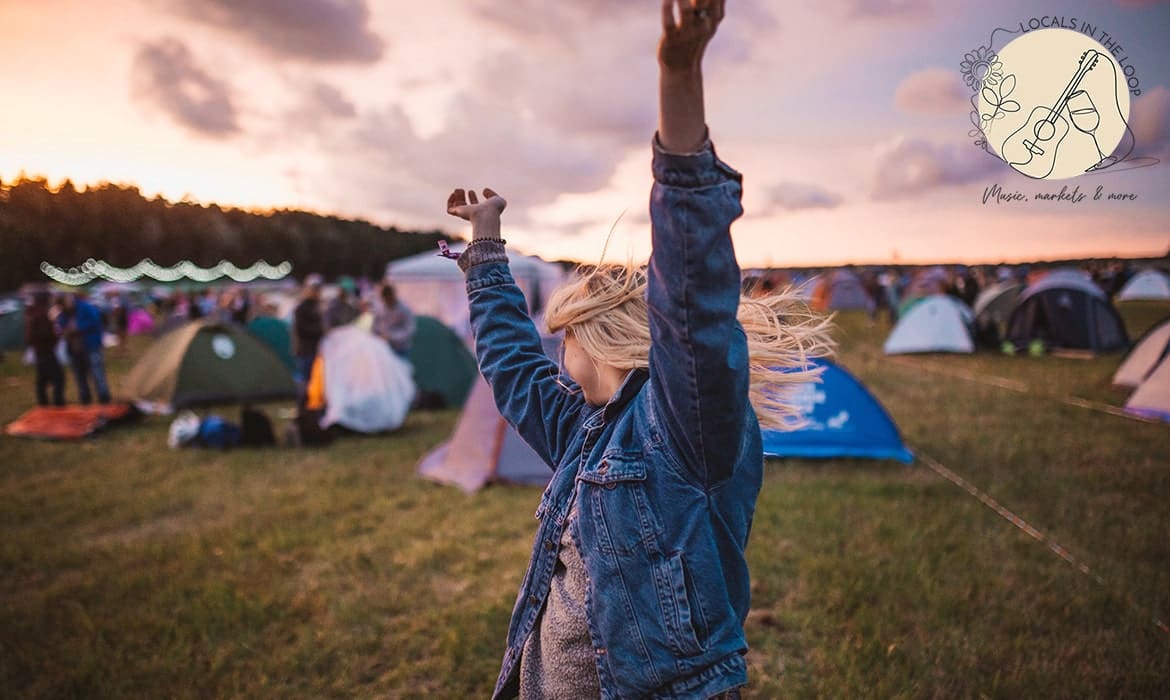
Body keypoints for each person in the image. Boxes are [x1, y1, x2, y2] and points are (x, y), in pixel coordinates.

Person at [444, 2, 834, 697]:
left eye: (563, 337)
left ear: (599, 340)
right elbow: (509, 364)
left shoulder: (681, 431)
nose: (554, 353)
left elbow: (691, 297)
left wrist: (678, 84)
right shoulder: (583, 430)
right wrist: (486, 251)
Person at [58, 291, 111, 404]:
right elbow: (61, 325)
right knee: (79, 375)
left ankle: (104, 398)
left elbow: (95, 321)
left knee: (97, 373)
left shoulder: (85, 307)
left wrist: (78, 328)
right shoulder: (64, 313)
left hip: (91, 345)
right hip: (74, 348)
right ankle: (85, 399)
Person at [24, 291, 66, 406]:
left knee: (42, 381)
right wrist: (56, 336)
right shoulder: (41, 315)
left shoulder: (33, 314)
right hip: (46, 352)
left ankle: (43, 405)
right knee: (58, 379)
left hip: (41, 352)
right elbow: (44, 334)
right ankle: (58, 404)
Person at [292, 275, 325, 393]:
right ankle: (303, 404)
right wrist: (321, 330)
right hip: (306, 349)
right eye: (314, 289)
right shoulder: (302, 308)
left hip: (315, 349)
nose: (316, 292)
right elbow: (302, 329)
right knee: (305, 379)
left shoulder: (317, 307)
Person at [372, 283, 416, 358]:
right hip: (384, 348)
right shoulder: (381, 308)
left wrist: (391, 336)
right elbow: (375, 327)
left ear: (394, 295)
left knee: (401, 368)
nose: (388, 301)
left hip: (400, 348)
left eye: (389, 297)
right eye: (385, 299)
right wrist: (378, 337)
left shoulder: (404, 309)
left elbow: (409, 330)